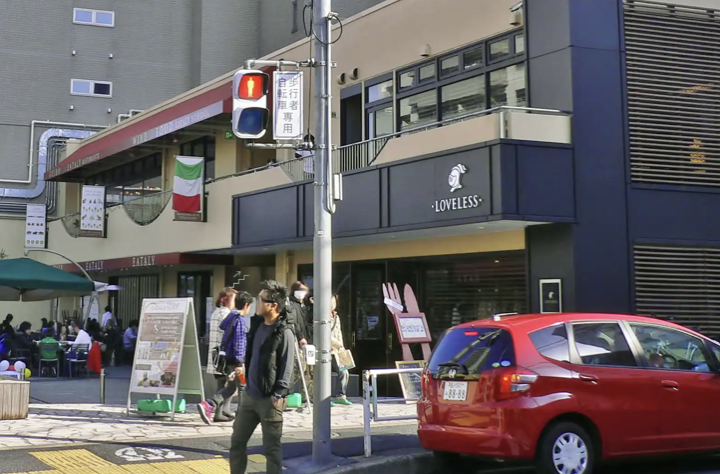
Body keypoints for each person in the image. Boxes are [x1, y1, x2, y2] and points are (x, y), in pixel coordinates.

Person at [230, 280, 295, 474]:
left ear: (273, 305)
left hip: (270, 399)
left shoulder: (284, 332)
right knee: (237, 442)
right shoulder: (257, 325)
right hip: (249, 396)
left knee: (271, 449)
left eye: (260, 300)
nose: (256, 303)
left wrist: (279, 393)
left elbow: (287, 366)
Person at [198, 291, 253, 424]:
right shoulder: (239, 320)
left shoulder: (230, 317)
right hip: (236, 362)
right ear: (246, 305)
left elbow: (223, 329)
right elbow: (239, 342)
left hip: (227, 360)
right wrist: (240, 363)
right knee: (242, 386)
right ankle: (242, 416)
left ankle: (209, 404)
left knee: (231, 387)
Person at [330, 294, 352, 406]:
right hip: (326, 349)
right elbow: (326, 334)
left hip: (337, 350)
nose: (332, 304)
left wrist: (341, 347)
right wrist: (337, 344)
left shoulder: (336, 316)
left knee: (344, 371)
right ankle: (323, 398)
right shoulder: (321, 316)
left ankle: (340, 395)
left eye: (334, 302)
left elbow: (339, 333)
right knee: (324, 374)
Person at [285, 281, 309, 347]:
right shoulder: (290, 304)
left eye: (304, 290)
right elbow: (292, 321)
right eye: (300, 290)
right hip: (296, 339)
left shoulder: (305, 305)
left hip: (305, 338)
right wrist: (300, 337)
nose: (302, 292)